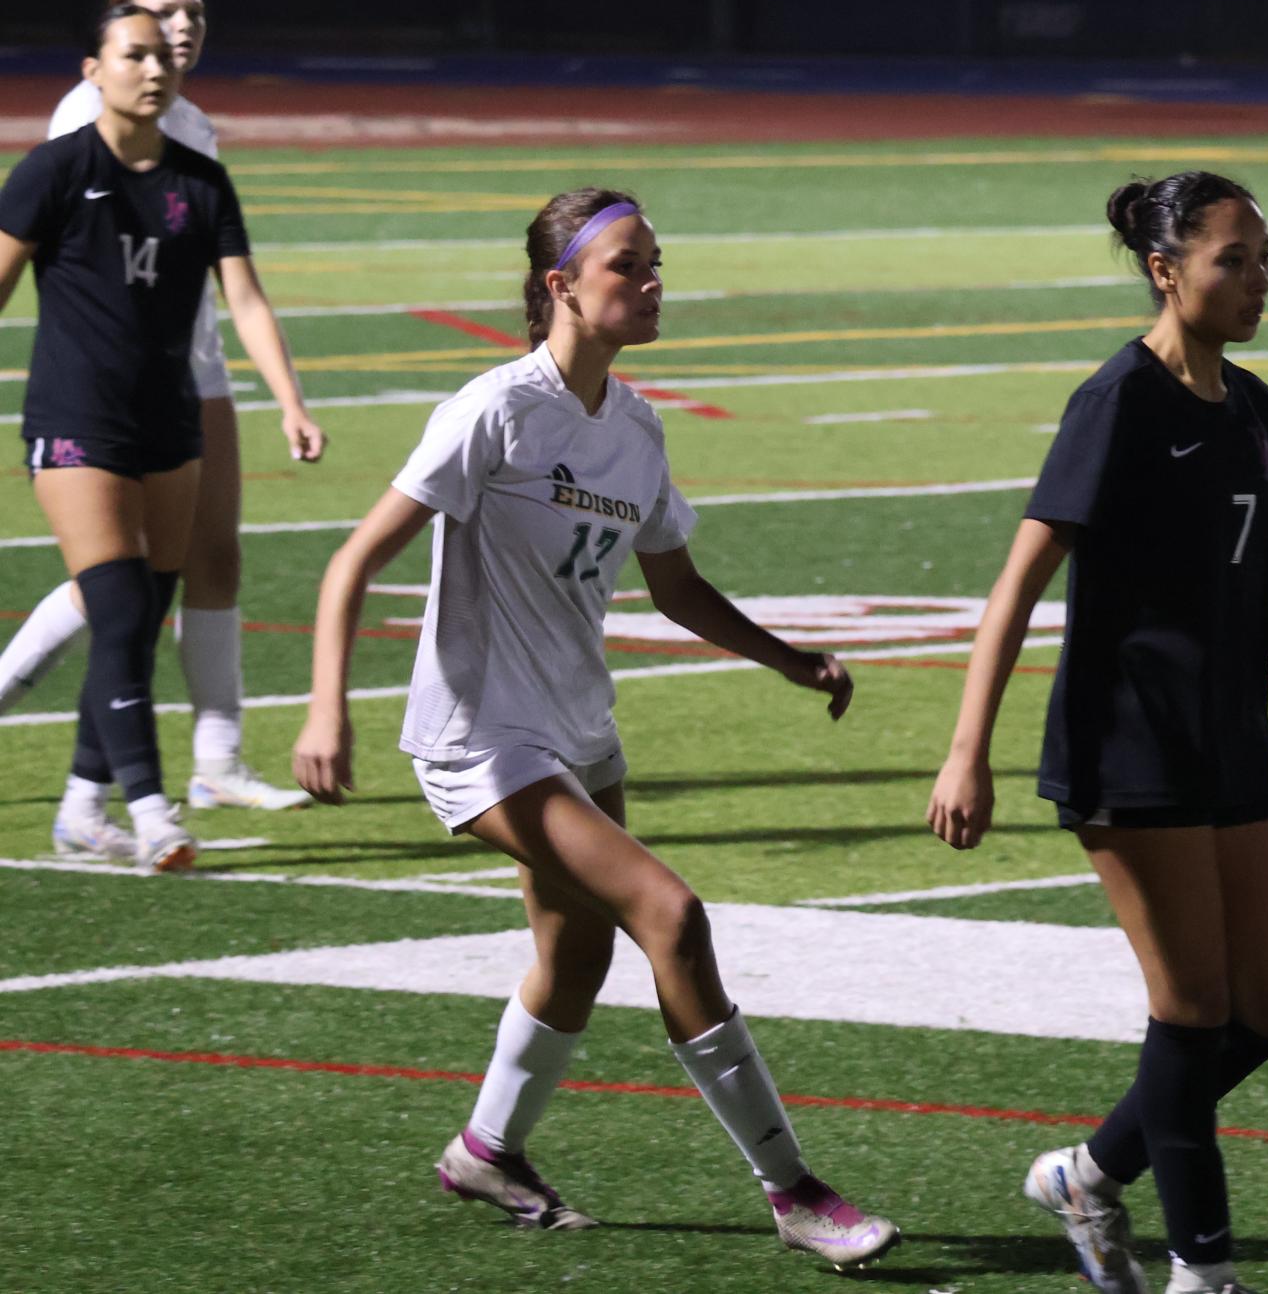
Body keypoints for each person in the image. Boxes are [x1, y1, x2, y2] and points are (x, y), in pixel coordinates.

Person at [289, 186, 900, 1267]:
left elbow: (676, 587)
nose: (655, 280)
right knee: (672, 911)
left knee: (570, 960)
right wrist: (327, 706)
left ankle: (485, 1148)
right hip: (481, 739)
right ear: (559, 285)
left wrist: (791, 658)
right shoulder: (494, 409)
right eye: (630, 264)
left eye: (657, 261)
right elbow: (350, 563)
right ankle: (794, 1187)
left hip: (578, 727)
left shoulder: (638, 424)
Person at [927, 171, 1268, 1294]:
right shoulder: (1117, 401)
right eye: (1234, 258)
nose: (1257, 280)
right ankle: (1205, 1269)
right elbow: (1015, 583)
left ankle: (1089, 1171)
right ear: (1165, 268)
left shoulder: (1258, 410)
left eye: (1266, 257)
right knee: (1189, 1012)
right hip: (1126, 747)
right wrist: (965, 748)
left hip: (1233, 743)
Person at [1, 0, 324, 850]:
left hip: (181, 389)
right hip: (86, 402)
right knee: (113, 597)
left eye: (191, 16)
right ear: (105, 48)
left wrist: (287, 398)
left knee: (170, 583)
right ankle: (147, 809)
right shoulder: (70, 147)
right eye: (154, 23)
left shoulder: (196, 150)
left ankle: (126, 788)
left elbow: (242, 293)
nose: (174, 38)